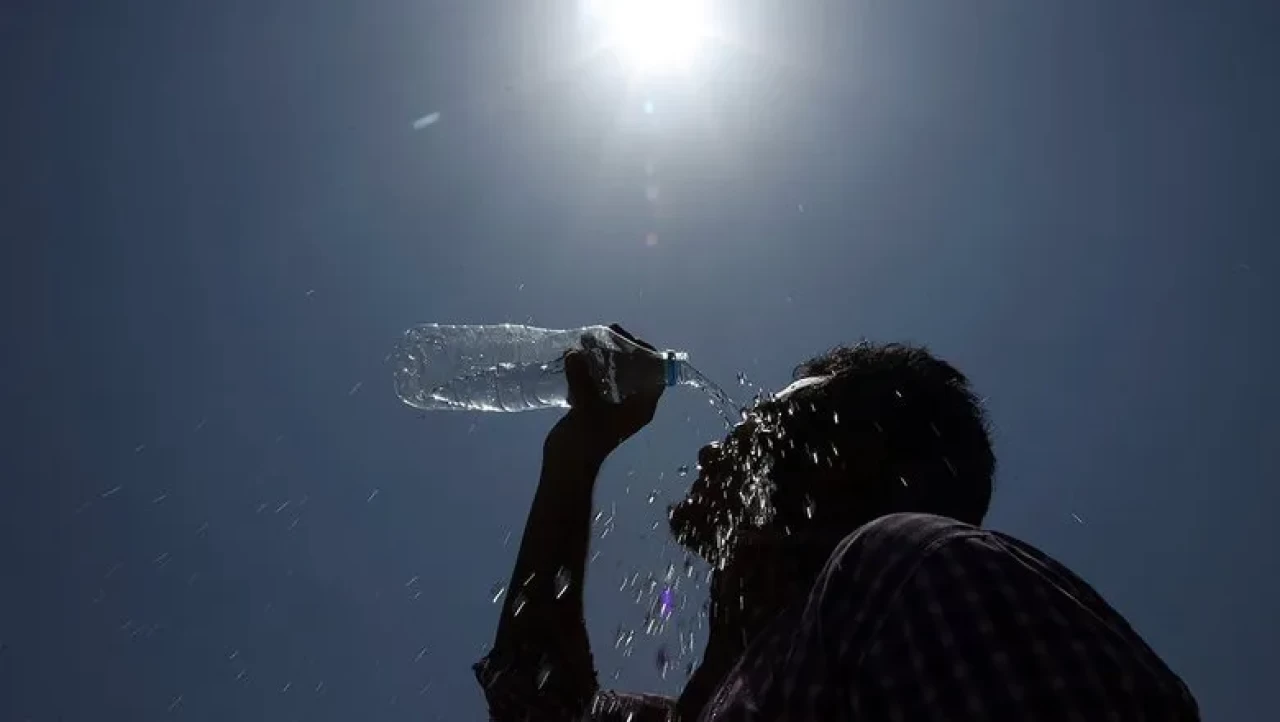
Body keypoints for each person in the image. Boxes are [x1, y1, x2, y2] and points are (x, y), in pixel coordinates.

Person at [475, 326, 1199, 721]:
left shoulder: (909, 571)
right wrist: (575, 451)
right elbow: (536, 701)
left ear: (867, 466)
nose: (716, 447)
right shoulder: (719, 699)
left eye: (773, 427)